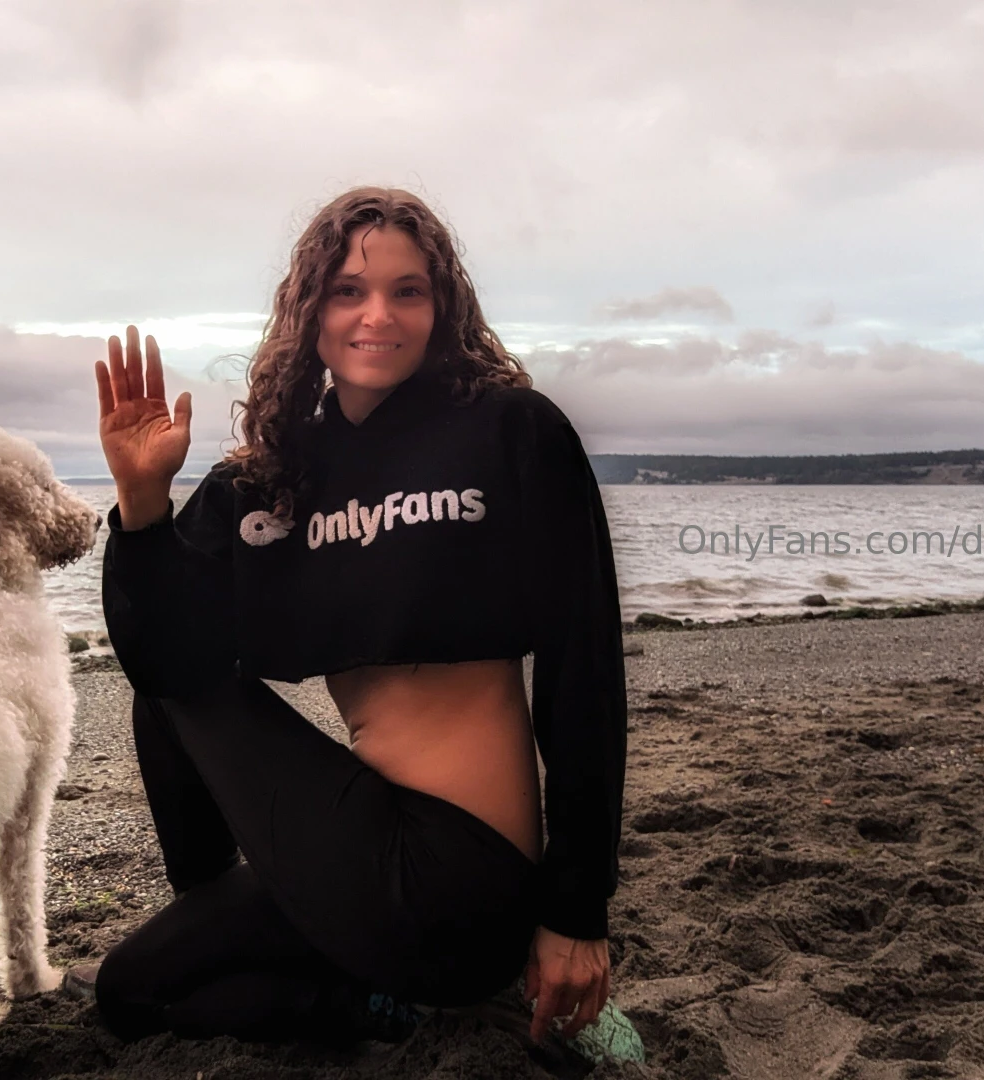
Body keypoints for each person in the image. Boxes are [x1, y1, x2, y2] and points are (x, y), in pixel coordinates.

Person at [84, 186, 628, 1050]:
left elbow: (584, 667)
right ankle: (365, 1007)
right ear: (311, 311)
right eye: (348, 291)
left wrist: (577, 911)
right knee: (130, 994)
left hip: (463, 883)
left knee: (182, 685)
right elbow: (160, 659)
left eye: (408, 291)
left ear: (442, 307)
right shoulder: (272, 482)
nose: (378, 315)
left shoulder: (509, 433)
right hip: (357, 859)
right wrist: (143, 504)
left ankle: (388, 991)